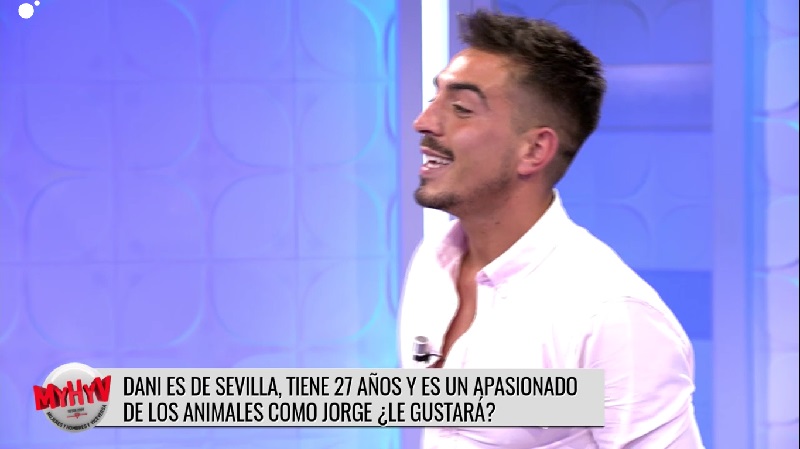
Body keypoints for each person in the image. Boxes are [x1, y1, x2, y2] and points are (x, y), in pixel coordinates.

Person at [397, 9, 705, 449]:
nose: (423, 122)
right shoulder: (434, 260)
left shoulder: (612, 315)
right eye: (435, 98)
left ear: (534, 150)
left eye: (461, 108)